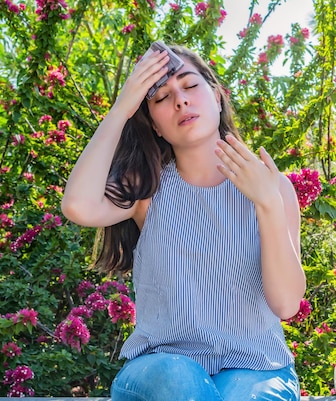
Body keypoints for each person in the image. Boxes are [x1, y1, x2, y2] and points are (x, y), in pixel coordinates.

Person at [61, 44, 306, 401]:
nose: (180, 101)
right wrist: (121, 108)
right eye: (161, 97)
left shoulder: (273, 188)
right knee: (181, 379)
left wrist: (267, 203)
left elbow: (286, 305)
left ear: (218, 98)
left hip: (257, 368)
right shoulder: (147, 188)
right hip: (160, 370)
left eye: (190, 86)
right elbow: (78, 205)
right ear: (155, 127)